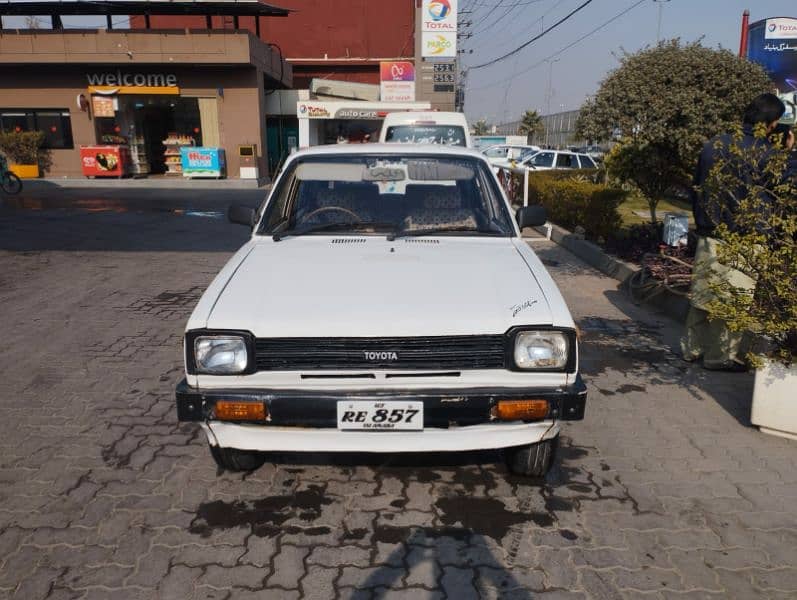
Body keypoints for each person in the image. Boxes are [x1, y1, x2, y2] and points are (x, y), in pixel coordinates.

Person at [681, 93, 795, 370]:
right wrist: (790, 153)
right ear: (770, 123)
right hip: (745, 237)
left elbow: (696, 189)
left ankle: (690, 349)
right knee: (733, 302)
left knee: (702, 296)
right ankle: (718, 358)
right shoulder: (767, 154)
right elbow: (785, 187)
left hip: (710, 233)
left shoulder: (713, 144)